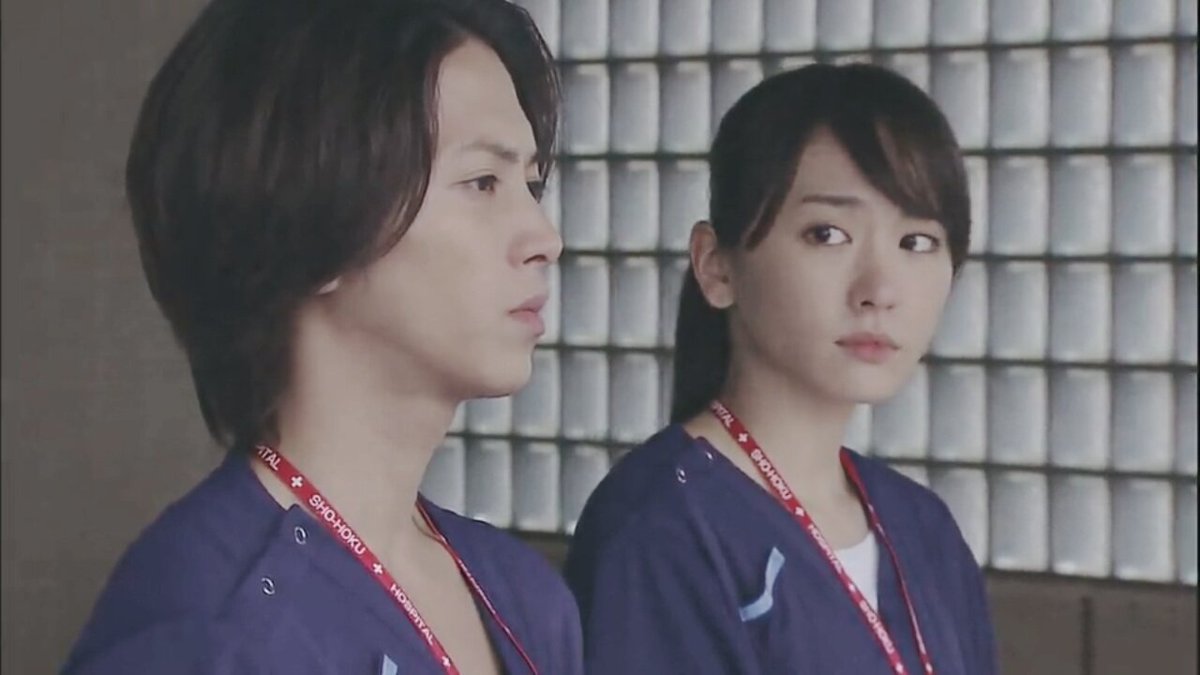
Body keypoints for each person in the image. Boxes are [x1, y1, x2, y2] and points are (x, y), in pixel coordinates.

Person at [62, 1, 582, 673]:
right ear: (317, 218)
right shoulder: (209, 635)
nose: (545, 238)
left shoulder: (525, 596)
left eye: (531, 184)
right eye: (483, 182)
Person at [564, 62, 998, 674]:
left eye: (917, 242)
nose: (879, 290)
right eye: (828, 234)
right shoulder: (663, 527)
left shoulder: (922, 527)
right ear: (717, 266)